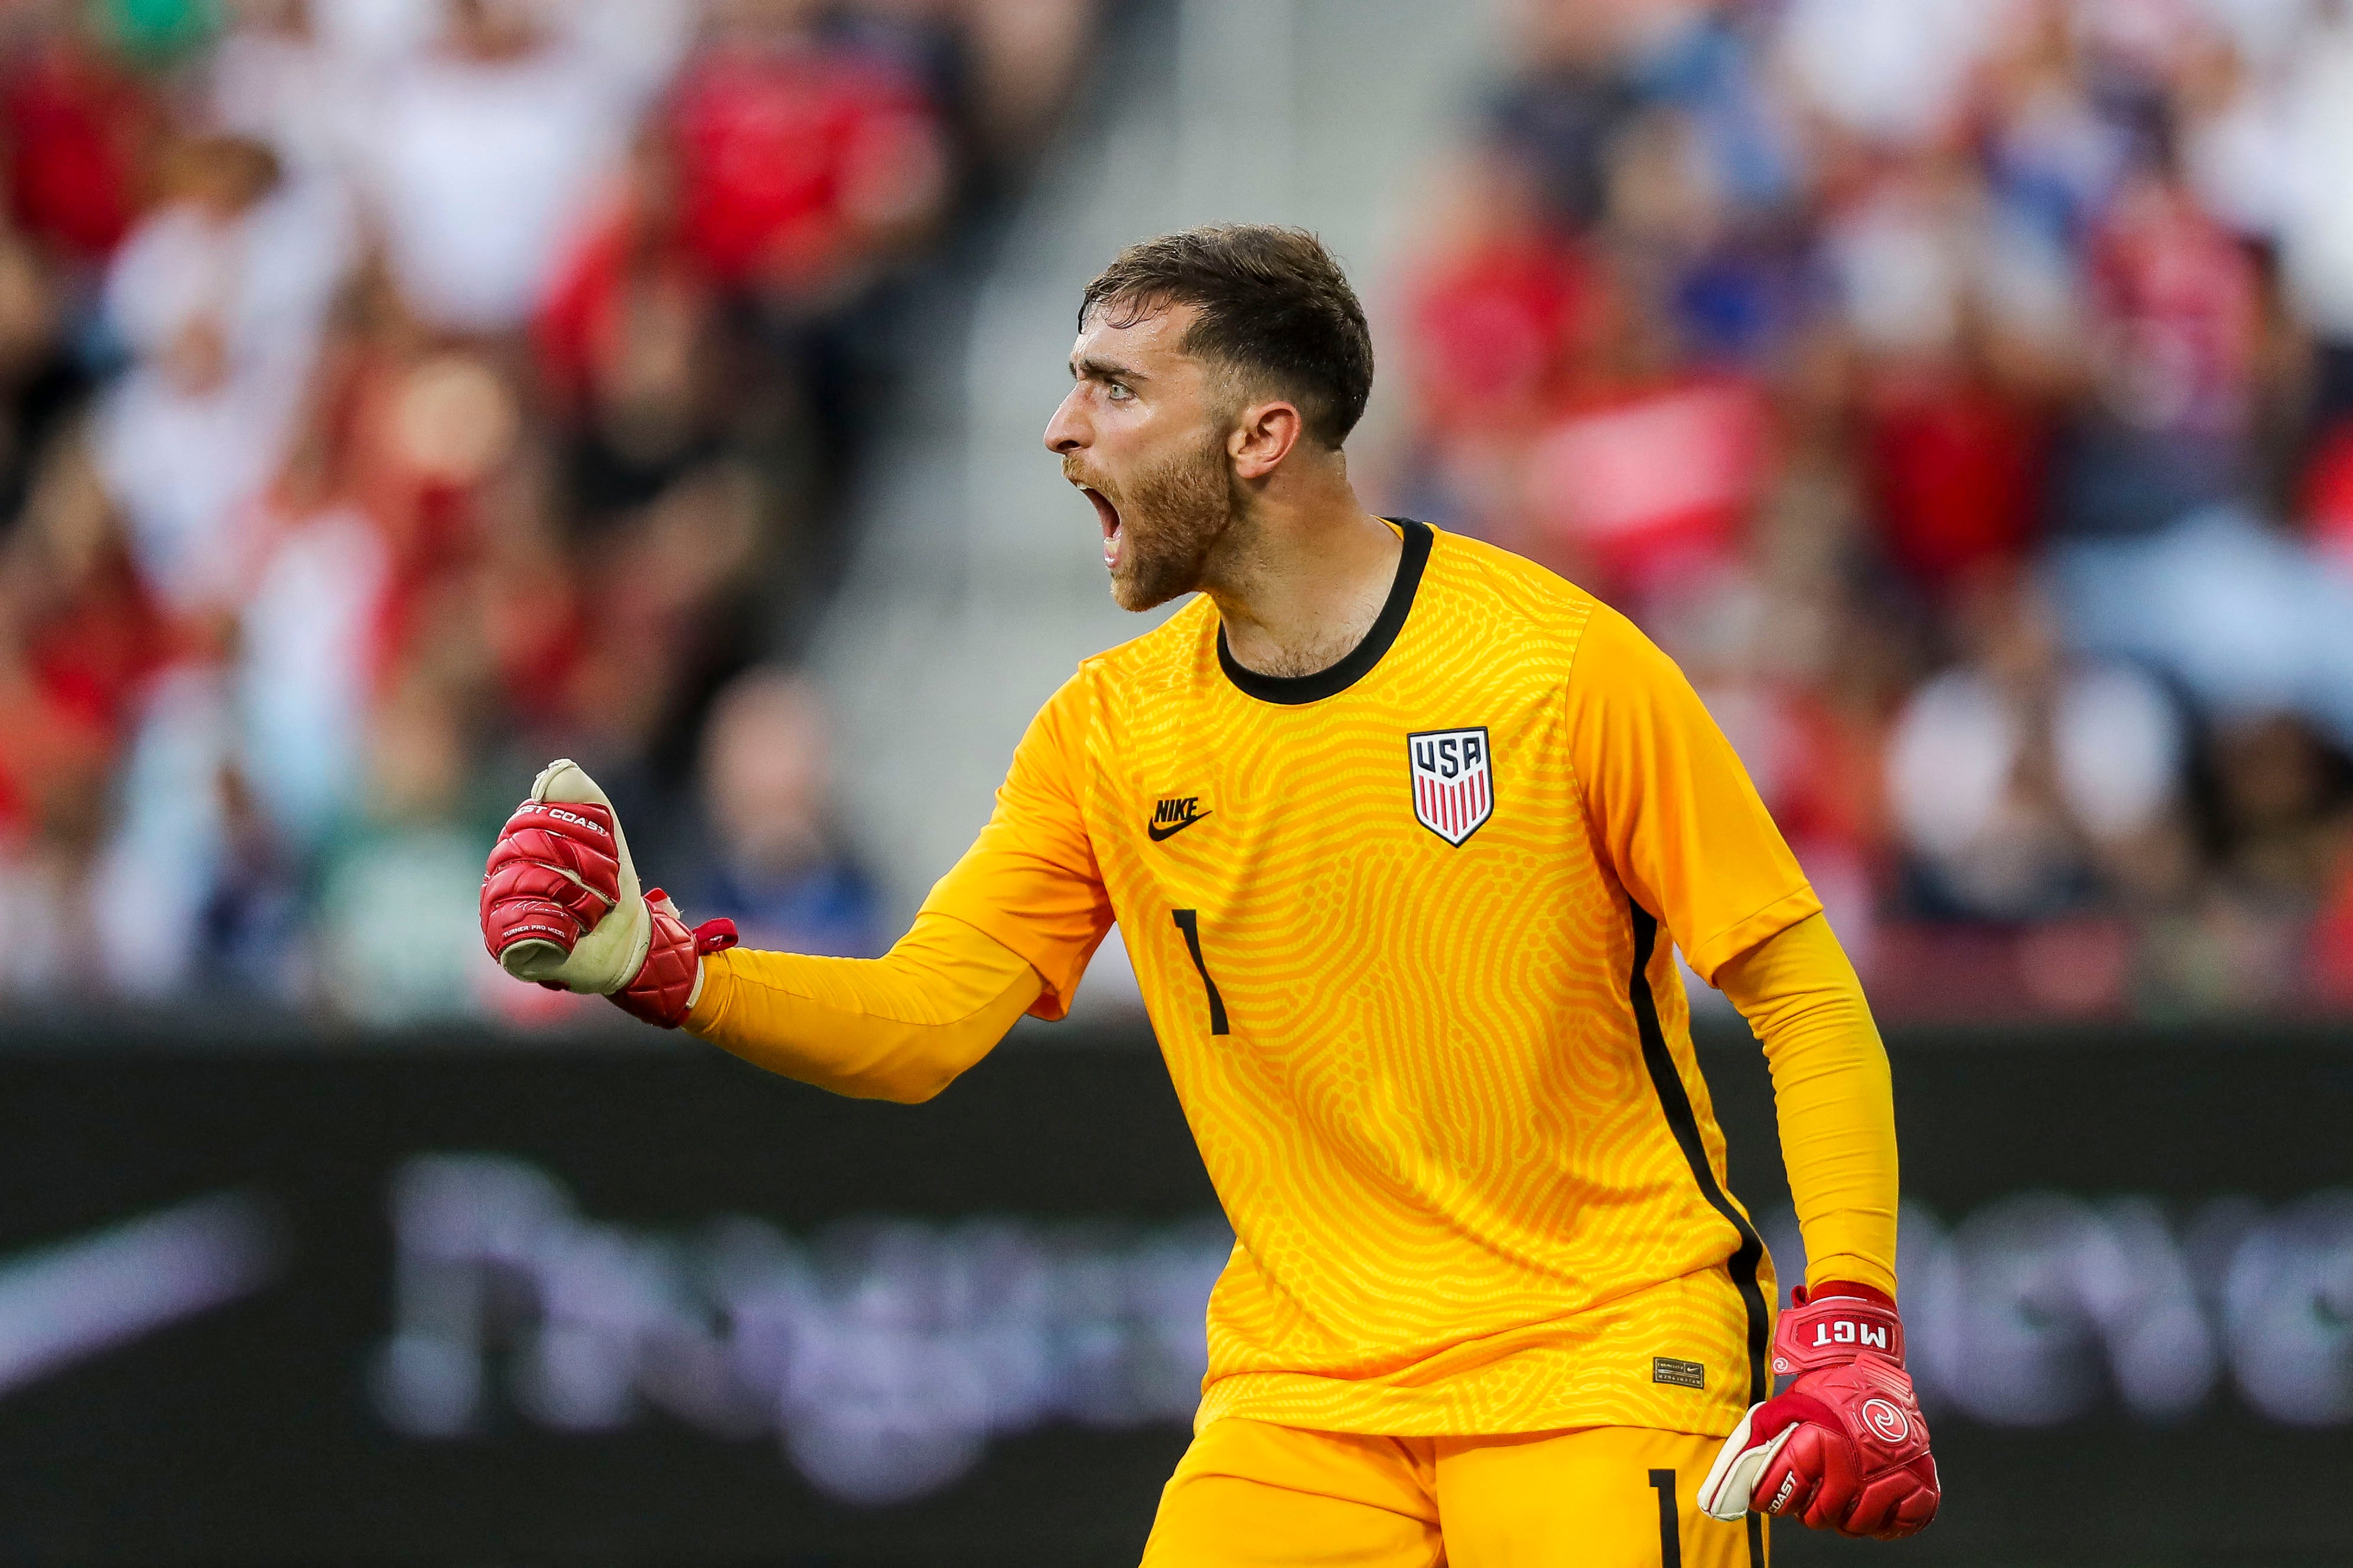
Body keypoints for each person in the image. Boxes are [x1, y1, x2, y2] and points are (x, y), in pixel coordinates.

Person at [479, 224, 1938, 1564]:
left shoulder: (1560, 666)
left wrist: (1853, 1308)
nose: (1060, 431)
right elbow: (919, 1020)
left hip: (1602, 1349)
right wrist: (659, 964)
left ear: (1262, 434)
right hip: (1304, 1390)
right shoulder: (1107, 732)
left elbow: (1801, 989)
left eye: (1113, 389)